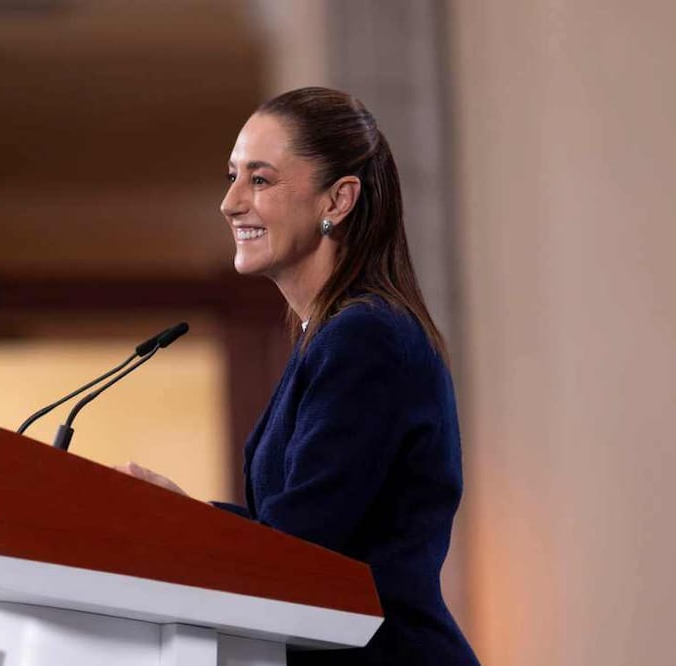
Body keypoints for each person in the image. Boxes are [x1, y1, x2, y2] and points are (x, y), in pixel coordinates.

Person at [118, 87, 479, 665]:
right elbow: (298, 531)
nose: (230, 202)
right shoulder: (335, 333)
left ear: (338, 199)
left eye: (259, 180)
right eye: (232, 177)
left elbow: (299, 553)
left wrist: (184, 524)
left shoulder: (365, 337)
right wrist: (181, 514)